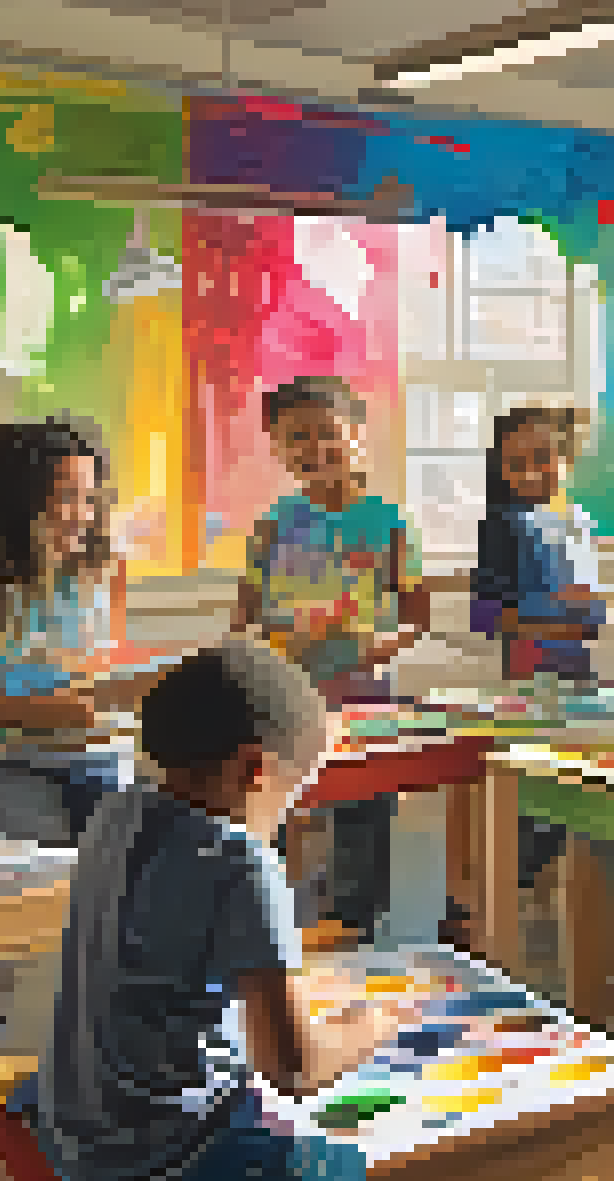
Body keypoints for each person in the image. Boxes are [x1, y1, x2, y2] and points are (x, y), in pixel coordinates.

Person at [21, 640, 398, 1181]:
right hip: (160, 1162)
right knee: (349, 1171)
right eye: (294, 795)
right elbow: (293, 1071)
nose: (288, 815)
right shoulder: (241, 863)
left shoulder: (116, 812)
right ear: (255, 769)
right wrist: (369, 1027)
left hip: (72, 1128)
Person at [235, 377, 428, 948]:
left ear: (357, 433)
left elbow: (417, 617)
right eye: (295, 438)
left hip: (362, 689)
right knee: (267, 798)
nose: (312, 448)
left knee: (362, 800)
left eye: (325, 433)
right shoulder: (272, 527)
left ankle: (350, 916)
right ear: (278, 448)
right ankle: (260, 907)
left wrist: (378, 647)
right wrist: (245, 659)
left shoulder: (390, 524)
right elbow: (244, 614)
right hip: (282, 687)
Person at [0, 419, 131, 849]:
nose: (82, 514)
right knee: (42, 876)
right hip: (2, 766)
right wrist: (39, 712)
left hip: (101, 761)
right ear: (15, 502)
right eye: (66, 497)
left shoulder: (102, 573)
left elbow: (101, 674)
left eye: (89, 498)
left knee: (114, 876)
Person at [472, 407, 606, 901]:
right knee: (531, 782)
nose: (532, 471)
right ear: (501, 468)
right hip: (529, 678)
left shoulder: (577, 522)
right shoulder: (500, 527)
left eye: (544, 457)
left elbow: (591, 607)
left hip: (578, 674)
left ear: (566, 458)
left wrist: (585, 614)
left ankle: (551, 873)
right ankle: (516, 880)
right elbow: (484, 615)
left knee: (572, 777)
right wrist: (551, 621)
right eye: (518, 462)